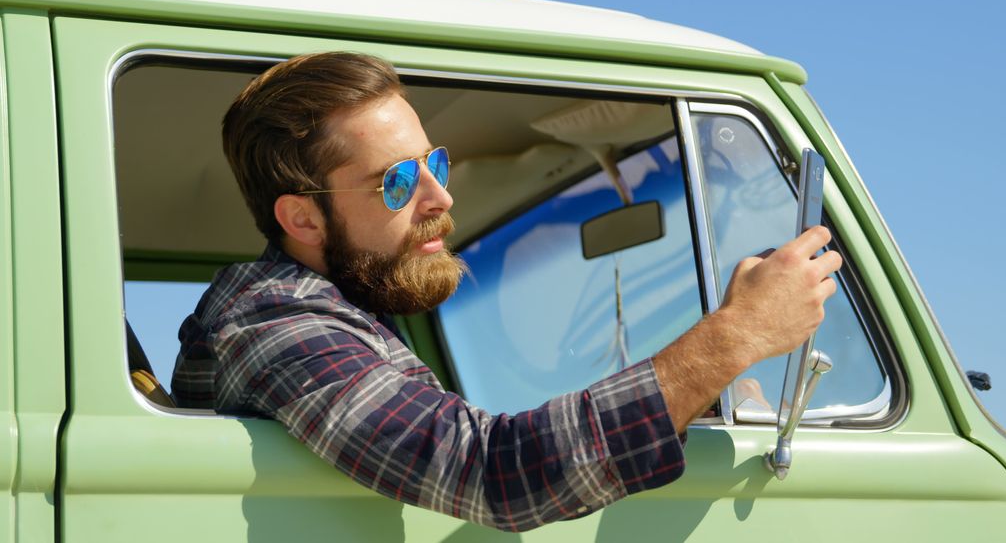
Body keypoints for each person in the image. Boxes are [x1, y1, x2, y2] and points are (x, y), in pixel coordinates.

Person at [172, 51, 842, 532]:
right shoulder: (275, 325)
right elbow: (489, 472)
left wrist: (694, 395)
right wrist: (735, 338)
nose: (441, 195)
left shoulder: (351, 315)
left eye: (434, 163)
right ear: (303, 219)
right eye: (397, 183)